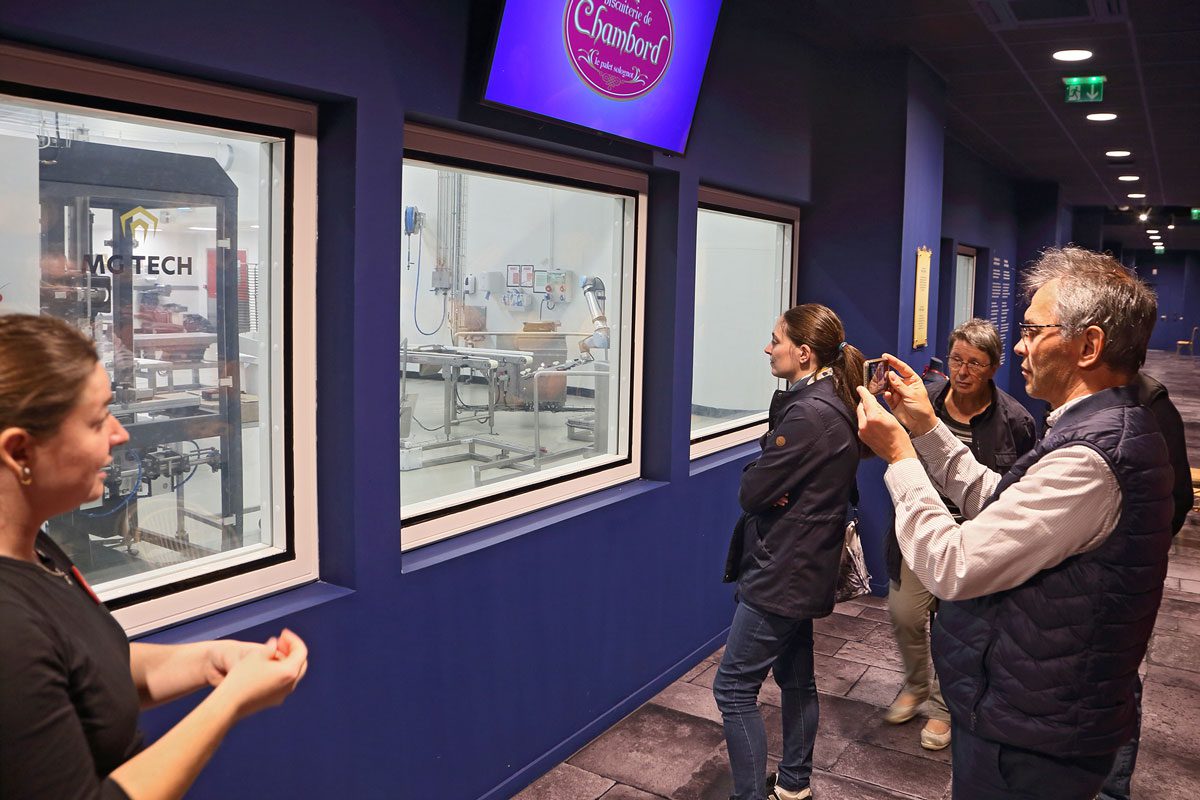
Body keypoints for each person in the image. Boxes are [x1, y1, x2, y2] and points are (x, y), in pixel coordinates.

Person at [855, 247, 1174, 799]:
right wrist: (928, 427)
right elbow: (1002, 500)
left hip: (1031, 733)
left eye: (1031, 330)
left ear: (1089, 345)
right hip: (1029, 710)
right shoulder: (1096, 431)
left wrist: (900, 456)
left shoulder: (1092, 460)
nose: (1020, 346)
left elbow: (954, 565)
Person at [0, 313, 309, 800]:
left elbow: (86, 674)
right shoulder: (7, 626)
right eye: (99, 419)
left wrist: (211, 658)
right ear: (19, 452)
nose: (119, 434)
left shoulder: (35, 548)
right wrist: (229, 702)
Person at [715, 303, 865, 800]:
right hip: (803, 565)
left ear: (803, 353)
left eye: (775, 339)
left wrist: (766, 480)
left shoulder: (810, 414)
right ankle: (795, 784)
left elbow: (753, 490)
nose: (767, 347)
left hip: (782, 571)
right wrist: (772, 480)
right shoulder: (824, 403)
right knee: (796, 679)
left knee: (733, 689)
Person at [882, 319, 1035, 752]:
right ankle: (915, 684)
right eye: (956, 360)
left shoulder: (1016, 421)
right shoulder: (923, 402)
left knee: (956, 630)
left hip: (975, 541)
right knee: (906, 614)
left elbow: (1015, 493)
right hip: (921, 532)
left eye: (975, 363)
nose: (963, 371)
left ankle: (942, 706)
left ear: (993, 368)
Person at [1097, 372, 1193, 800]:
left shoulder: (1149, 403)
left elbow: (1177, 500)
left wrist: (1131, 553)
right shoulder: (1075, 402)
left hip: (1118, 579)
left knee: (1117, 683)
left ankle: (1111, 790)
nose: (1024, 348)